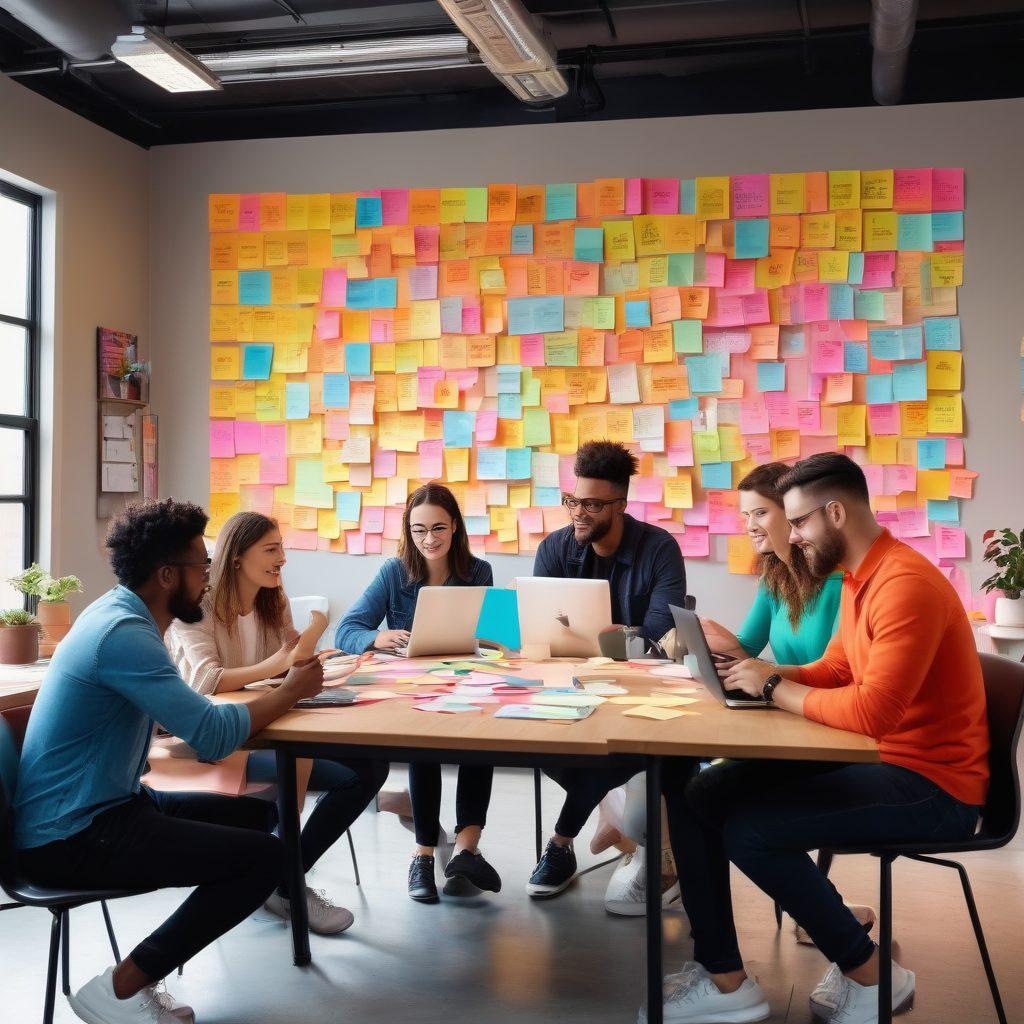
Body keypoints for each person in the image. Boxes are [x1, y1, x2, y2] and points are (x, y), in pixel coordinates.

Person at [655, 453, 989, 1024]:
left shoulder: (904, 584)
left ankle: (874, 977)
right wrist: (756, 678)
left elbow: (875, 711)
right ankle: (725, 977)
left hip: (935, 786)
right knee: (701, 793)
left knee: (753, 831)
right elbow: (837, 670)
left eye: (801, 522)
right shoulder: (861, 577)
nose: (795, 536)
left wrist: (773, 689)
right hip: (884, 759)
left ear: (835, 512)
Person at [13, 499, 326, 1024]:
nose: (208, 578)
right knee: (264, 859)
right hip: (71, 834)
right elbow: (210, 737)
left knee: (261, 819)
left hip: (112, 804)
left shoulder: (123, 615)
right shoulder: (125, 636)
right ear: (165, 575)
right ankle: (119, 988)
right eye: (200, 568)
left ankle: (140, 973)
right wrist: (290, 691)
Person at [166, 511, 389, 936]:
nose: (282, 558)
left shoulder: (273, 599)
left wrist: (316, 665)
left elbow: (288, 668)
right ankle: (284, 883)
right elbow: (206, 681)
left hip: (269, 728)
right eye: (271, 549)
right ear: (236, 557)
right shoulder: (196, 605)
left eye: (281, 548)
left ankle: (283, 879)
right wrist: (278, 664)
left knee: (370, 766)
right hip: (218, 738)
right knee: (306, 766)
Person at [693, 462, 874, 942]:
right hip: (796, 715)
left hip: (828, 727)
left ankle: (819, 911)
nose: (749, 526)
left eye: (760, 514)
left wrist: (770, 681)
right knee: (700, 787)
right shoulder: (775, 576)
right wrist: (704, 640)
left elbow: (849, 678)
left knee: (717, 797)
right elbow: (749, 647)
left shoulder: (844, 583)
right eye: (745, 515)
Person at [526, 440, 686, 901]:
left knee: (617, 755)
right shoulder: (555, 548)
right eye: (573, 500)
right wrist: (611, 636)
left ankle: (561, 843)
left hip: (641, 694)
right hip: (568, 688)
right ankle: (607, 815)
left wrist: (627, 637)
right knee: (528, 742)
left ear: (620, 505)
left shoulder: (660, 550)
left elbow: (656, 639)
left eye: (592, 504)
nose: (578, 512)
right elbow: (540, 635)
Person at [335, 483, 499, 904]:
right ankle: (423, 854)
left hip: (466, 682)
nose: (429, 539)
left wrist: (495, 640)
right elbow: (347, 630)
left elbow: (497, 637)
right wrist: (378, 637)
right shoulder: (394, 572)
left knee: (479, 741)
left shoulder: (478, 572)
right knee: (421, 743)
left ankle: (466, 848)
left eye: (439, 528)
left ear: (456, 526)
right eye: (419, 529)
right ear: (408, 531)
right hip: (415, 689)